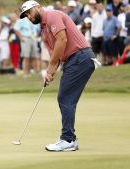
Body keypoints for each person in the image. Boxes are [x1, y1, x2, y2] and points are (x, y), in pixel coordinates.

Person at [20, 0, 98, 152]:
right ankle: (70, 139)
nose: (29, 17)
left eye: (29, 12)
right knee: (66, 98)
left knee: (65, 98)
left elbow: (62, 40)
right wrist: (51, 72)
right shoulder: (43, 31)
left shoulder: (52, 15)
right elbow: (56, 53)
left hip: (80, 57)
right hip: (73, 60)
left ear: (38, 7)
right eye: (26, 16)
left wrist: (50, 67)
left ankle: (67, 139)